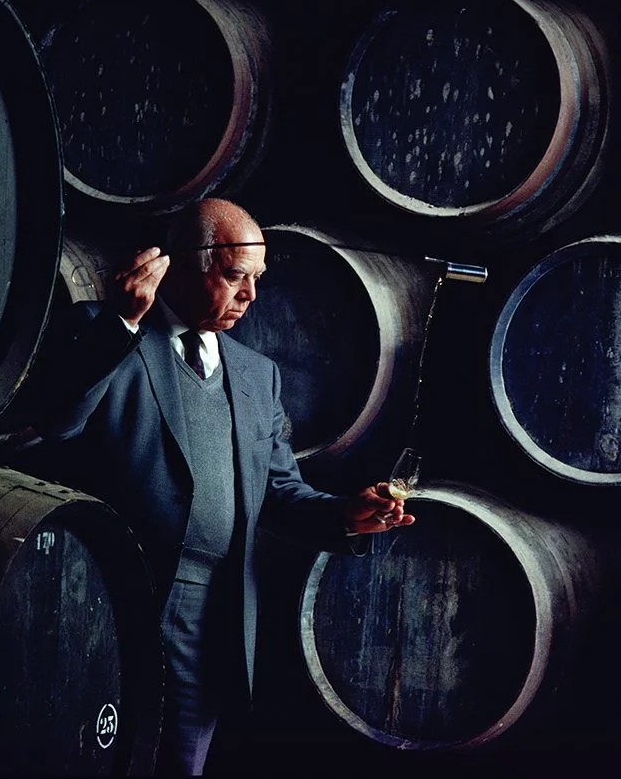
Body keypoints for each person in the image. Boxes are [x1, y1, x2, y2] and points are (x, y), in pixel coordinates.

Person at [36, 198, 414, 775]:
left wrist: (346, 515)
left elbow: (281, 492)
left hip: (211, 613)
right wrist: (123, 324)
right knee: (82, 756)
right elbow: (56, 423)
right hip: (109, 593)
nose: (251, 296)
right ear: (182, 263)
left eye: (258, 280)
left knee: (180, 765)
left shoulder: (257, 375)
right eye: (238, 276)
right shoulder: (104, 332)